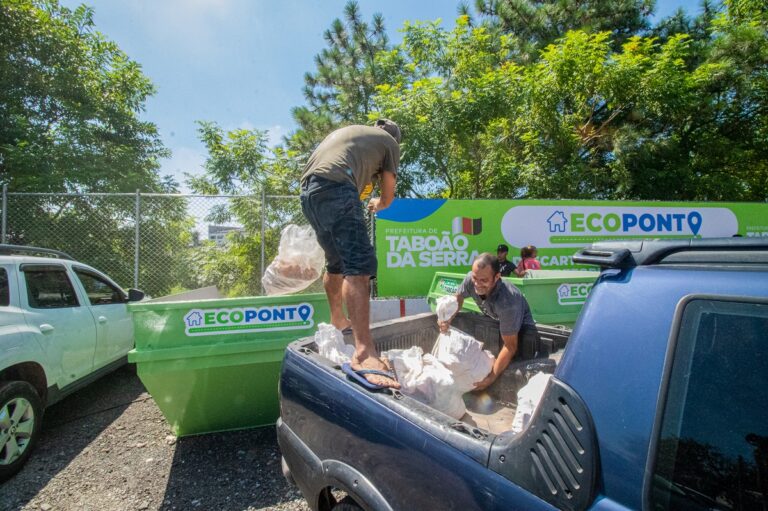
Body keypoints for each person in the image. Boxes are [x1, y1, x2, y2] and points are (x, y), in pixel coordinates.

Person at [300, 119, 402, 389]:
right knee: (360, 265)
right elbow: (388, 194)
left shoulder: (351, 134)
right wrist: (379, 203)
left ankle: (337, 319)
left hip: (309, 194)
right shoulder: (389, 142)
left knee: (336, 263)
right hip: (337, 188)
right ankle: (364, 353)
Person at [439, 253, 540, 391]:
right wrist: (448, 318)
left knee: (514, 371)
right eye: (475, 278)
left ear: (497, 277)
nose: (477, 284)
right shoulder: (471, 279)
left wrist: (490, 378)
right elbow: (459, 298)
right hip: (500, 322)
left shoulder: (508, 301)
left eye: (484, 280)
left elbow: (510, 346)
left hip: (523, 332)